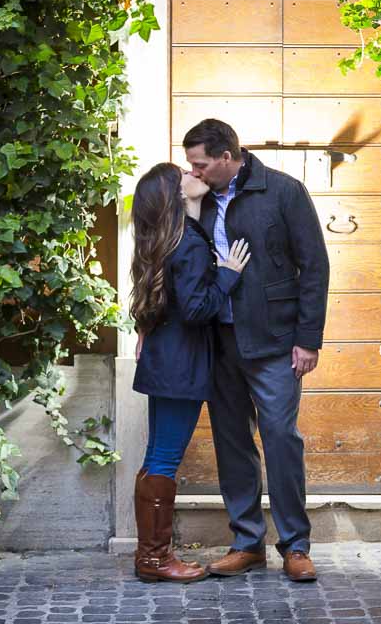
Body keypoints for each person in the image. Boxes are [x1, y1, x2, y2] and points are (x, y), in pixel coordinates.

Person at [183, 119, 329, 582]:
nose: (195, 171)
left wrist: (309, 339)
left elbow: (315, 266)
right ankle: (247, 543)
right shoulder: (198, 199)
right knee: (231, 442)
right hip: (218, 341)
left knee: (281, 439)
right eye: (191, 164)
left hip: (274, 342)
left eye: (201, 164)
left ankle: (296, 546)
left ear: (227, 157)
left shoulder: (283, 191)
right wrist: (187, 200)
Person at [130, 161, 250, 583]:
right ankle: (155, 560)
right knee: (164, 459)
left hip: (165, 362)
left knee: (154, 459)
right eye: (182, 174)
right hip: (180, 366)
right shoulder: (192, 245)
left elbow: (165, 303)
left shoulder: (168, 242)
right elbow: (199, 309)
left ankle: (151, 557)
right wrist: (228, 275)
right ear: (176, 196)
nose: (192, 172)